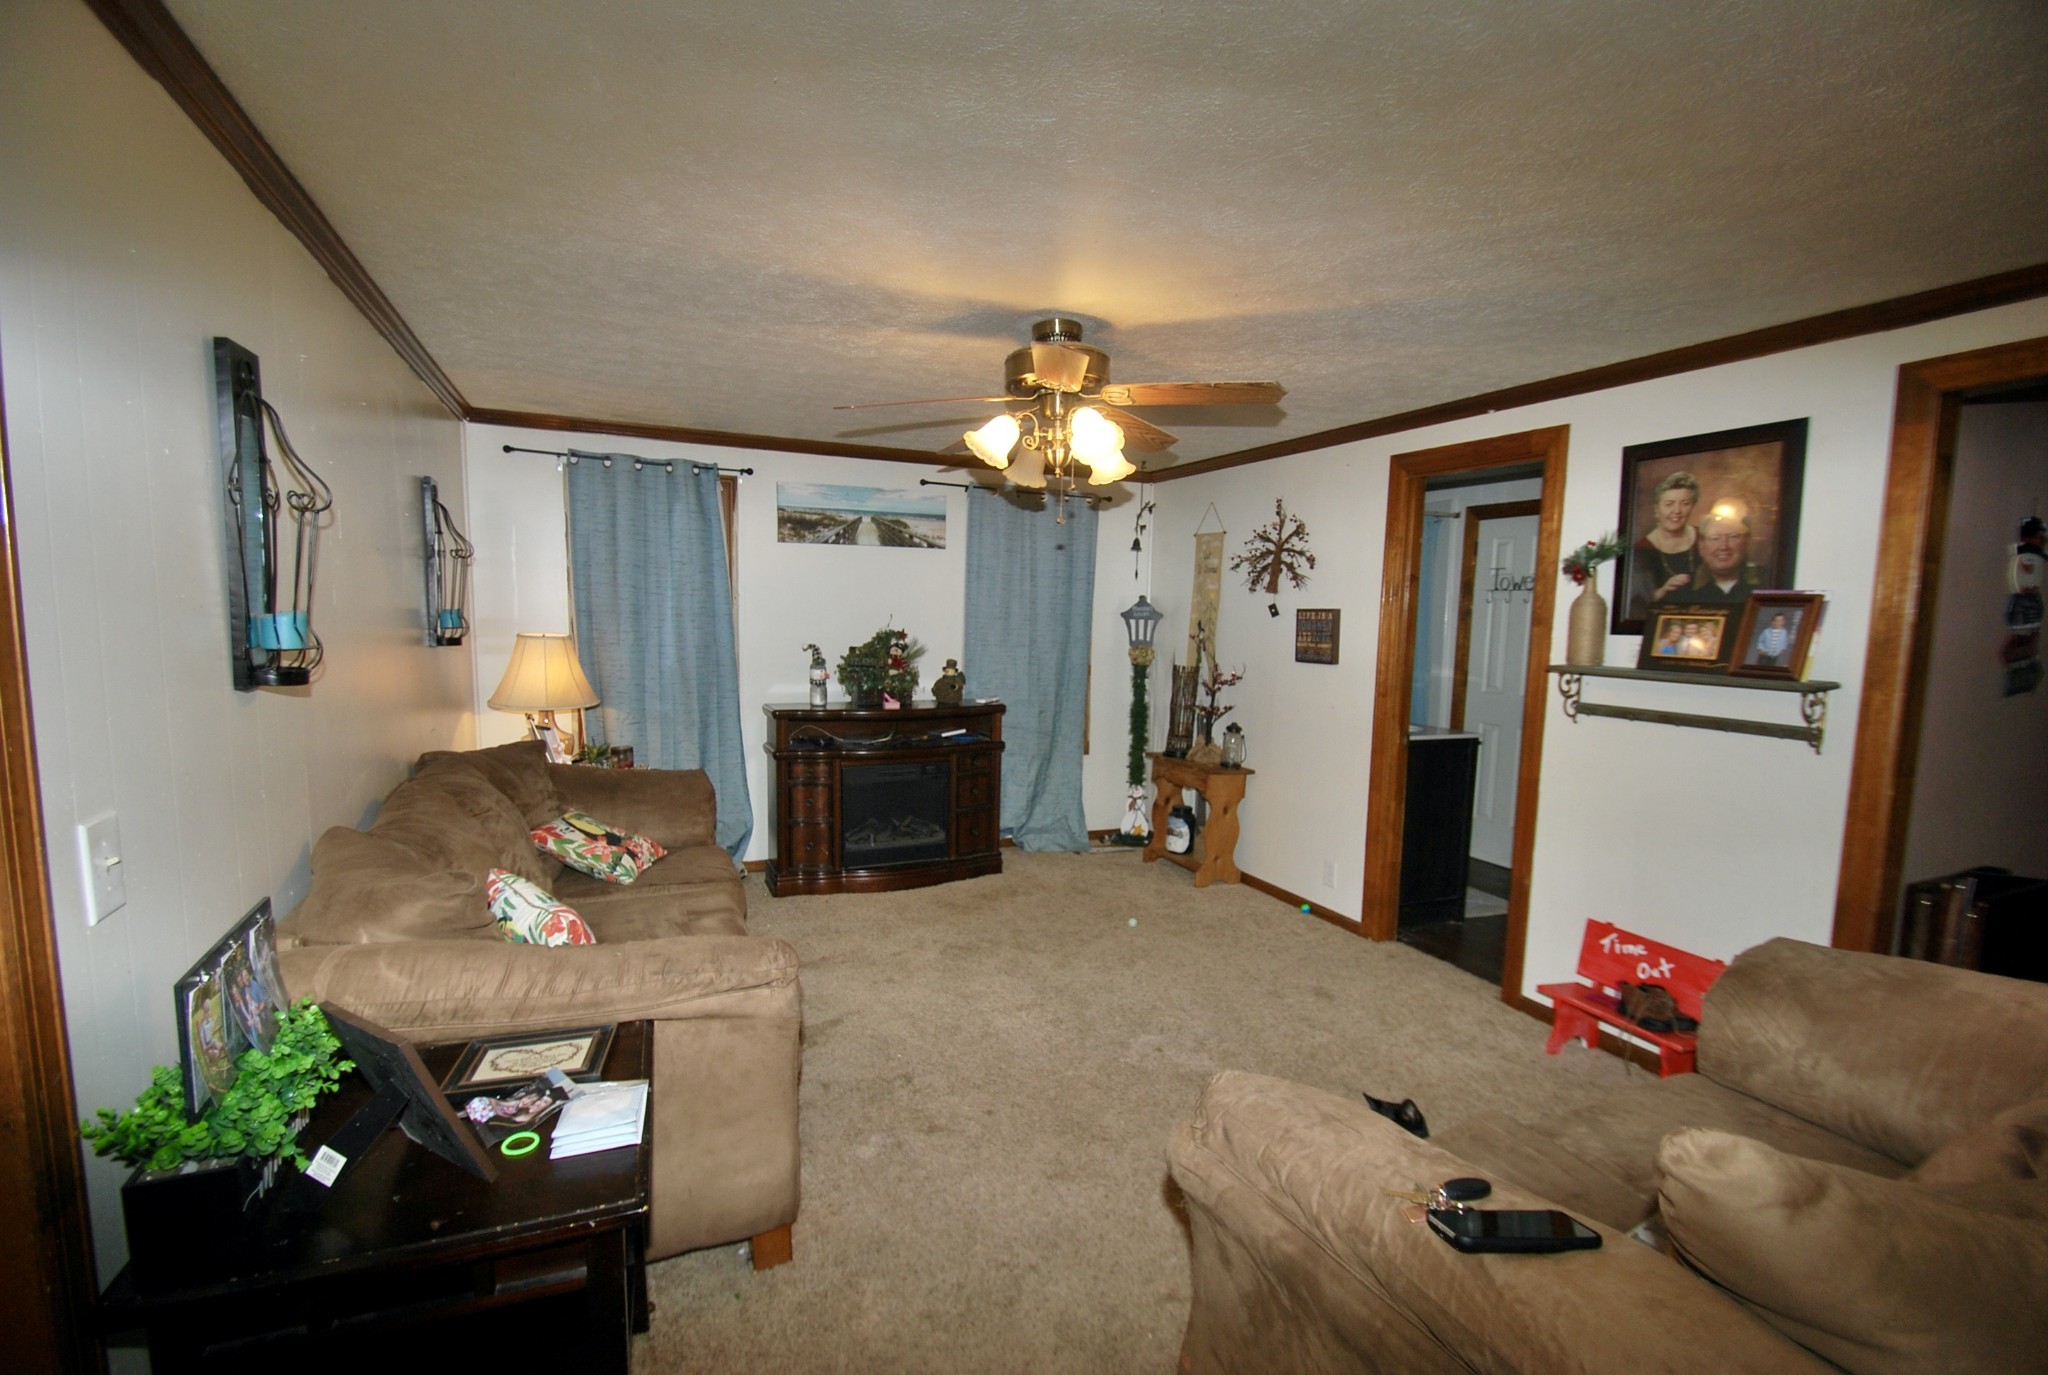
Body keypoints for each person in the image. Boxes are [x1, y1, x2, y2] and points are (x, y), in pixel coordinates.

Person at [1627, 471, 1702, 620]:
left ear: (1692, 506)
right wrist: (1663, 590)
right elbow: (1635, 605)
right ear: (1656, 508)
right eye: (1669, 504)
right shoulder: (1642, 550)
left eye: (1685, 503)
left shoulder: (1704, 538)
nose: (1677, 511)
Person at [1685, 504, 1764, 606]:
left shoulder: (1767, 584)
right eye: (1715, 538)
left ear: (1747, 542)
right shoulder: (1683, 590)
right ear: (1701, 546)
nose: (1723, 547)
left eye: (1733, 536)